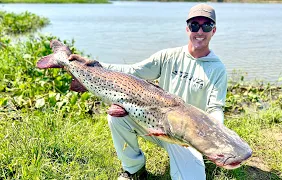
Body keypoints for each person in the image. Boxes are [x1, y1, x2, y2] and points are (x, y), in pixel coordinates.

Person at [70, 3, 227, 180]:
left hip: (185, 137)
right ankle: (134, 169)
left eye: (206, 26)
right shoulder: (169, 56)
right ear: (187, 28)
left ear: (213, 30)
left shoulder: (217, 69)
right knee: (117, 116)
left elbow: (215, 107)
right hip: (152, 122)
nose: (199, 32)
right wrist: (97, 66)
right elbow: (132, 71)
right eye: (194, 25)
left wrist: (216, 137)